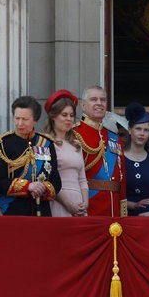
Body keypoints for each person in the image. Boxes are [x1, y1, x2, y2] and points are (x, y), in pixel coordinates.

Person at [0, 96, 61, 216]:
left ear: (35, 120)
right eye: (17, 118)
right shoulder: (2, 144)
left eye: (25, 119)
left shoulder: (46, 143)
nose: (20, 123)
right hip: (13, 211)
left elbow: (56, 181)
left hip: (41, 210)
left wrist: (41, 188)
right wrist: (28, 186)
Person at [73, 85, 127, 217]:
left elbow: (122, 178)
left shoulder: (115, 138)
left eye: (103, 100)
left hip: (113, 208)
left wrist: (122, 210)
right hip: (88, 206)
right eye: (94, 99)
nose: (99, 103)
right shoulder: (74, 134)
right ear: (83, 105)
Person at [43, 89, 89, 217]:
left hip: (79, 203)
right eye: (64, 115)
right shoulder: (46, 144)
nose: (69, 119)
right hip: (58, 202)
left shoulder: (77, 144)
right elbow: (48, 180)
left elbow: (82, 179)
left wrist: (85, 202)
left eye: (71, 115)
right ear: (53, 116)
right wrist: (68, 204)